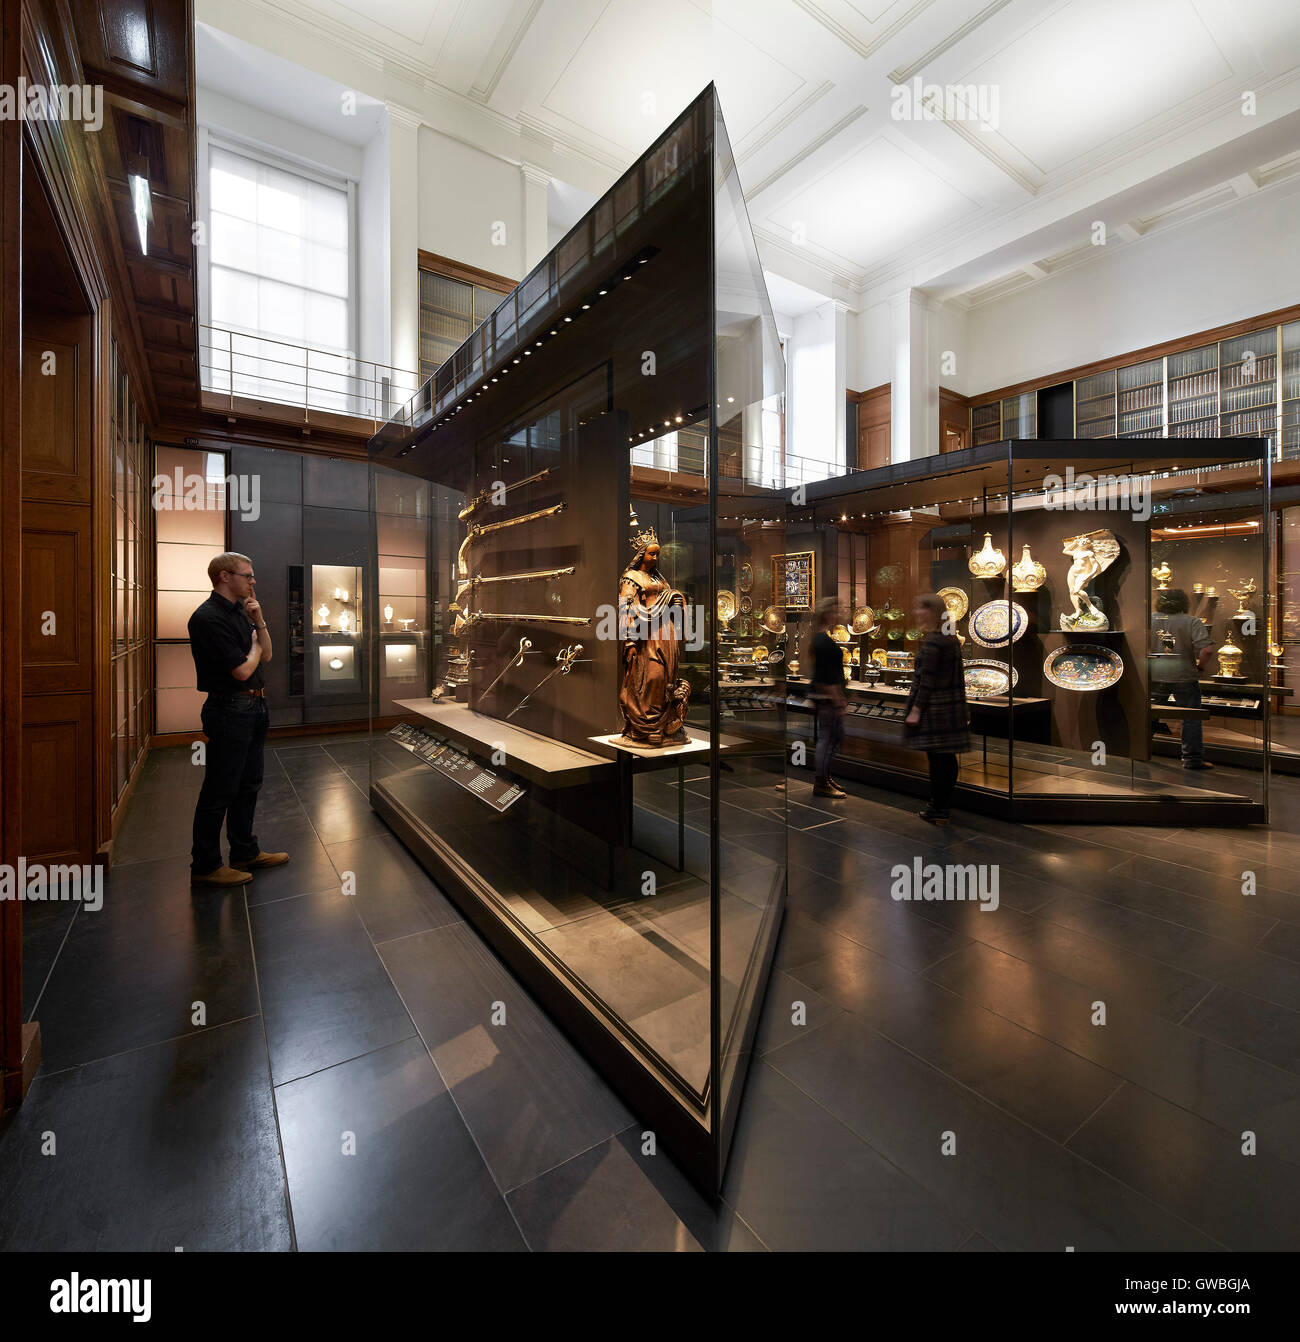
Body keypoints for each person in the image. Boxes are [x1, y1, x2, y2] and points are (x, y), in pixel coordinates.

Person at [188, 552, 289, 886]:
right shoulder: (207, 617)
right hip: (230, 708)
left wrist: (258, 623)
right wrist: (256, 647)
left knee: (249, 784)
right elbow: (244, 668)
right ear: (224, 577)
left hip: (253, 706)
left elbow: (268, 653)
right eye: (247, 575)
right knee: (220, 789)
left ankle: (245, 851)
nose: (253, 581)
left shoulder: (241, 612)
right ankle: (205, 865)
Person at [904, 593, 969, 825]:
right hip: (949, 708)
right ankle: (942, 805)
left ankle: (939, 808)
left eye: (921, 608)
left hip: (935, 710)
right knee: (946, 758)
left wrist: (916, 710)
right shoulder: (949, 637)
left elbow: (926, 680)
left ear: (932, 612)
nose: (917, 613)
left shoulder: (934, 641)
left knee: (938, 760)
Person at [1150, 588, 1214, 771]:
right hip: (1184, 676)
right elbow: (1207, 650)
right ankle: (1192, 760)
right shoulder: (1192, 621)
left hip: (1155, 674)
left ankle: (1140, 753)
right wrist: (1200, 667)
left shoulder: (1151, 619)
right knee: (1191, 718)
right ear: (1184, 602)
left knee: (1149, 716)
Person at [804, 596, 847, 799]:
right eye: (836, 610)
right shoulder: (821, 639)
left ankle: (825, 777)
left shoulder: (821, 637)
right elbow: (827, 674)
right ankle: (821, 782)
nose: (839, 613)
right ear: (828, 613)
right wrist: (836, 697)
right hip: (827, 697)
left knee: (830, 737)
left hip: (827, 696)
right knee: (827, 738)